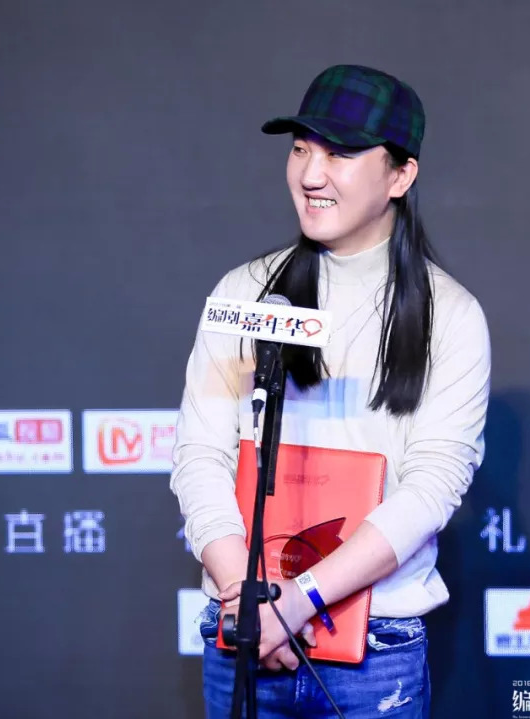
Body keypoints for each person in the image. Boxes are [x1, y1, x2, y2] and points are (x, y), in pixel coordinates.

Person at [170, 64, 491, 718]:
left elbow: (432, 485)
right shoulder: (243, 295)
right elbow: (199, 454)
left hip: (376, 648)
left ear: (400, 175)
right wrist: (246, 597)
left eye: (339, 154)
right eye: (300, 149)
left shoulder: (450, 317)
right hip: (242, 633)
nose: (311, 175)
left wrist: (300, 599)